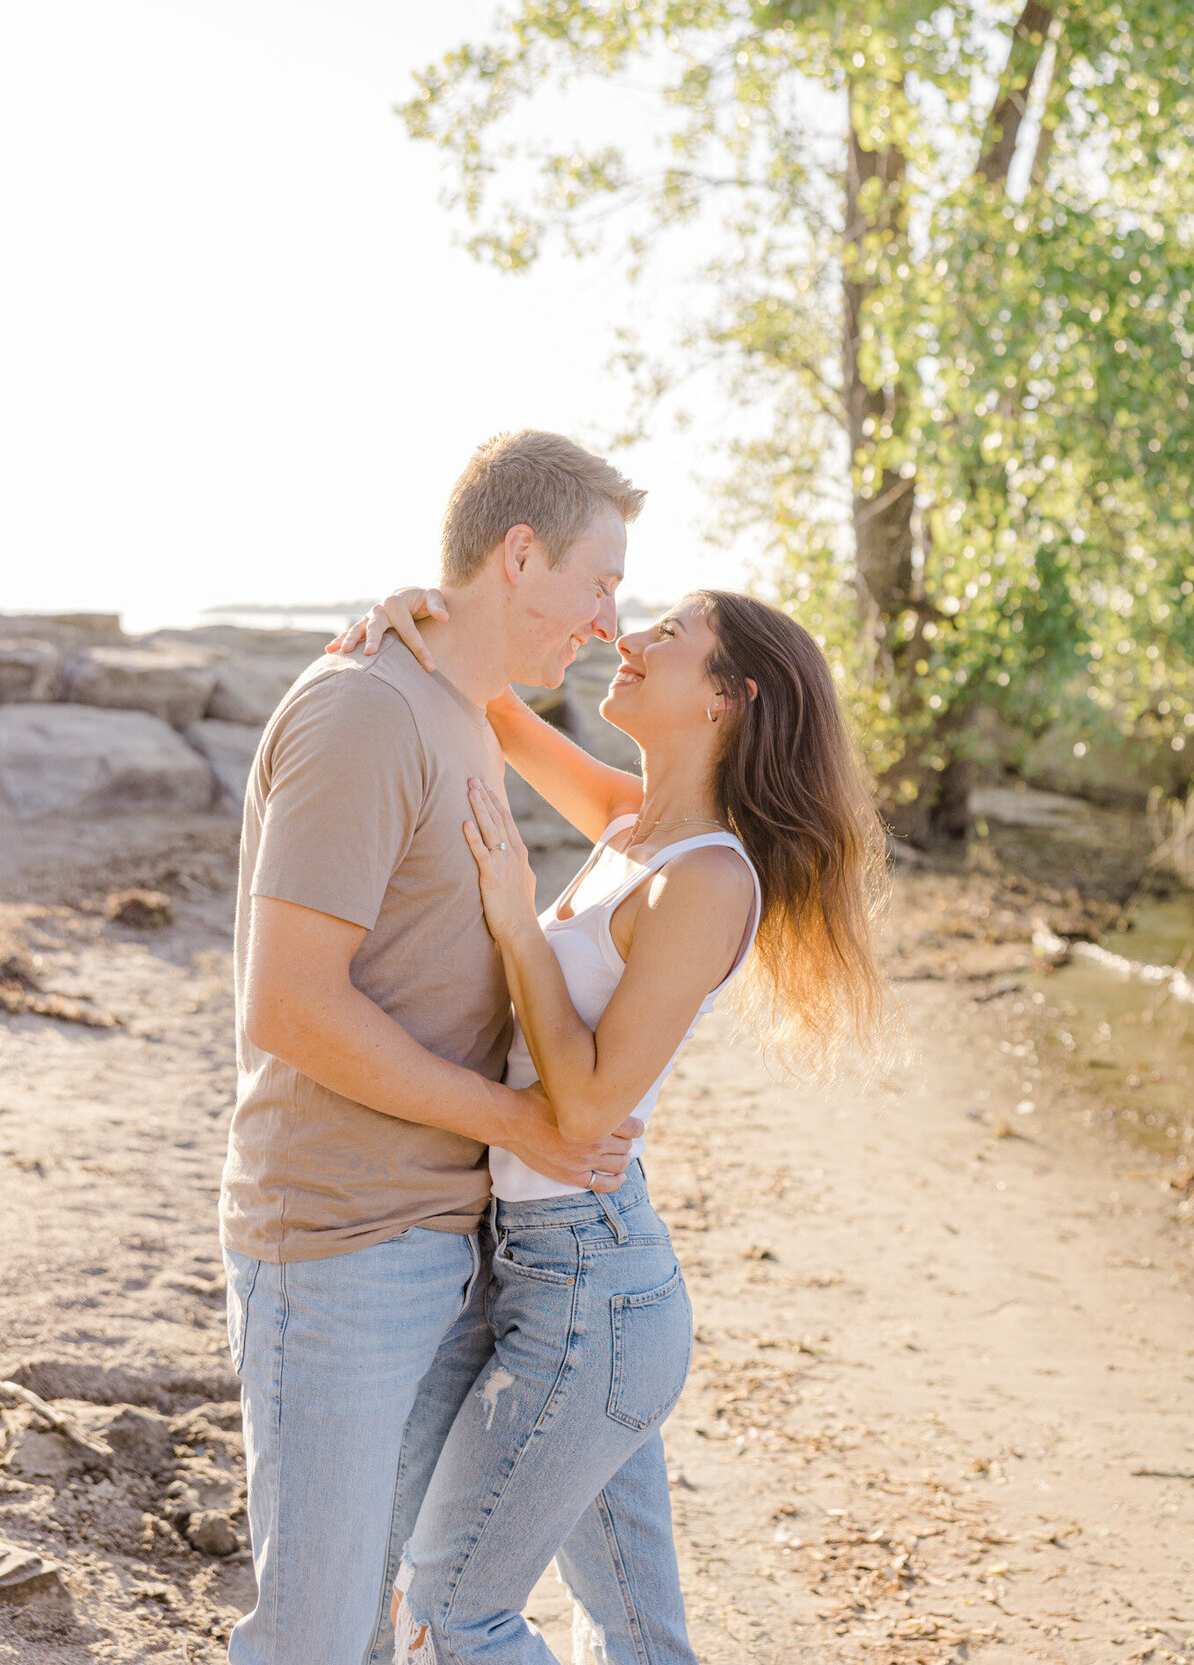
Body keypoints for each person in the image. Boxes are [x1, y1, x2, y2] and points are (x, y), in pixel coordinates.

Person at [332, 578, 892, 1664]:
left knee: (448, 1615)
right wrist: (414, 610)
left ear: (733, 695)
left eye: (669, 634)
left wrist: (513, 917)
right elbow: (491, 701)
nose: (631, 637)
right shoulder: (635, 826)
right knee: (637, 1637)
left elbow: (585, 1101)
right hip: (539, 1269)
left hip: (592, 1293)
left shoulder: (710, 880)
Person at [218, 430, 654, 1665]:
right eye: (600, 579)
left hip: (451, 1242)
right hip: (341, 1249)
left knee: (399, 1620)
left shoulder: (461, 705)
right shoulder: (364, 709)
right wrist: (519, 1122)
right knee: (311, 1636)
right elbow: (288, 1005)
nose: (613, 619)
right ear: (521, 553)